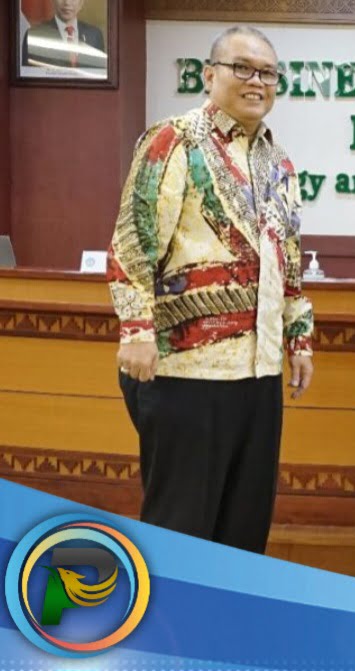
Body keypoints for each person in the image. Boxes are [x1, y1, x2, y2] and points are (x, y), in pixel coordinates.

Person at [107, 26, 314, 554]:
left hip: (259, 373)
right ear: (209, 74)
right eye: (242, 68)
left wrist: (299, 337)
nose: (256, 81)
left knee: (244, 528)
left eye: (267, 73)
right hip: (185, 372)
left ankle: (227, 612)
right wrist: (136, 330)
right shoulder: (174, 140)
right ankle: (167, 613)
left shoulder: (279, 162)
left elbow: (289, 256)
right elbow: (133, 242)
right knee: (180, 527)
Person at [21, 0, 106, 69]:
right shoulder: (34, 36)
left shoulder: (94, 35)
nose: (67, 3)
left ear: (81, 3)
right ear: (53, 1)